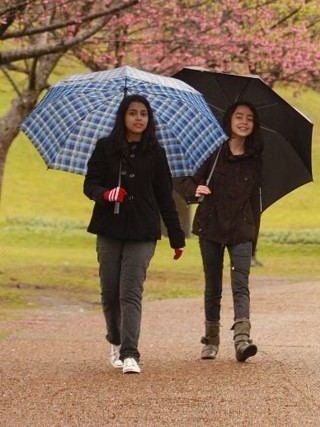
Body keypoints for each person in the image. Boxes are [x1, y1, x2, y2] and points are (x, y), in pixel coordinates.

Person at [84, 94, 185, 374]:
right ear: (123, 117)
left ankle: (131, 353)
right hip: (109, 228)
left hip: (143, 230)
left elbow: (166, 198)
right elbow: (89, 184)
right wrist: (106, 193)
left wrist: (177, 237)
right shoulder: (105, 148)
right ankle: (115, 340)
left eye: (143, 113)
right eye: (133, 113)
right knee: (109, 291)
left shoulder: (156, 153)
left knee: (130, 291)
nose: (139, 118)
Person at [177, 101, 263, 362]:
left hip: (241, 228)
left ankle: (242, 340)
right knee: (212, 284)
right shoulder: (211, 152)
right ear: (229, 120)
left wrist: (254, 238)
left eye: (249, 118)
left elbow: (255, 201)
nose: (244, 122)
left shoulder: (255, 158)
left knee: (240, 284)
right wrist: (195, 190)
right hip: (211, 225)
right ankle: (211, 339)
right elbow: (183, 179)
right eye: (239, 116)